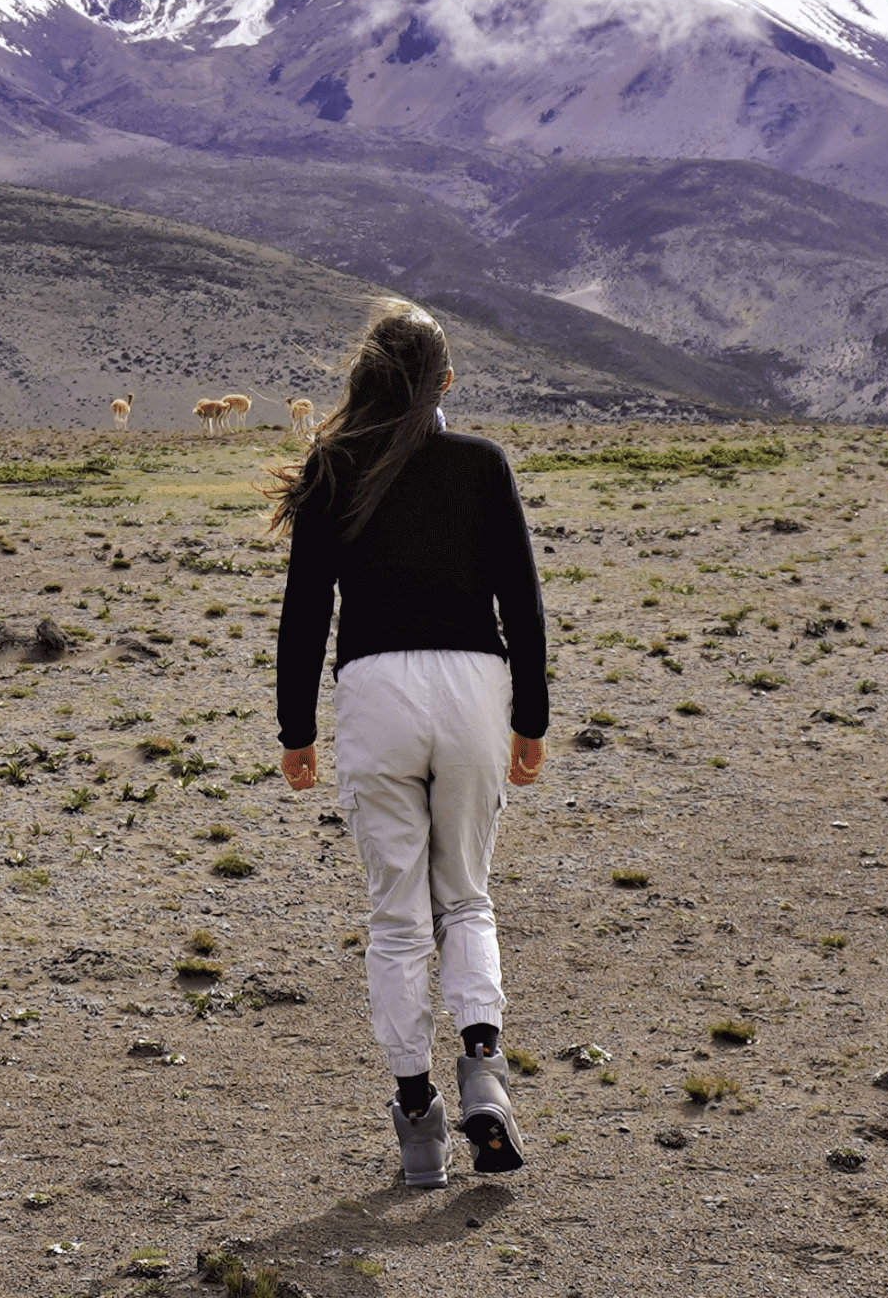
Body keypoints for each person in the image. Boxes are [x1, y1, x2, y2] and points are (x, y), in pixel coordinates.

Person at [268, 300, 549, 1188]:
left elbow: (306, 611)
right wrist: (530, 720)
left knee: (396, 918)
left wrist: (295, 731)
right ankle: (484, 1071)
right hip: (474, 688)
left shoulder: (331, 468)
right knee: (465, 898)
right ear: (445, 385)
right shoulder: (483, 463)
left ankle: (419, 1121)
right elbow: (524, 604)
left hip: (376, 692)